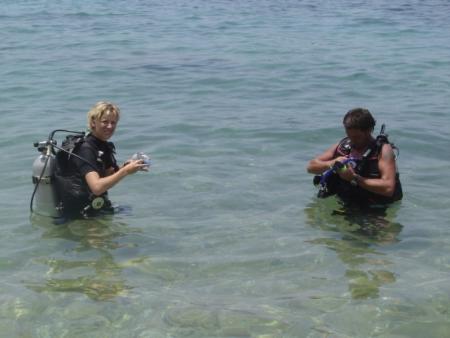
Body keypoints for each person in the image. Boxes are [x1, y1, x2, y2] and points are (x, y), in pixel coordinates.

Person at [55, 101, 147, 217]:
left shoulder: (103, 146)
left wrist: (126, 167)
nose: (110, 126)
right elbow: (97, 187)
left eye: (113, 122)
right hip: (80, 216)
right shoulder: (85, 149)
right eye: (105, 122)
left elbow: (107, 176)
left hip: (96, 208)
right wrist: (125, 171)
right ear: (93, 122)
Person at [307, 108, 402, 207]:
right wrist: (332, 162)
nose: (352, 140)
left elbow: (388, 188)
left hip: (374, 206)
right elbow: (311, 167)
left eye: (357, 137)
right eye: (349, 135)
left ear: (369, 130)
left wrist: (354, 178)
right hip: (348, 201)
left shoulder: (383, 150)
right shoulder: (344, 145)